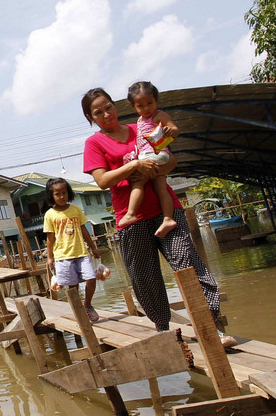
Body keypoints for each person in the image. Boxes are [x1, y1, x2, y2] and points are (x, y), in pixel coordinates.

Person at [80, 87, 233, 344]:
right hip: (131, 219)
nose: (106, 113)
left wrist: (154, 168)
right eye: (98, 112)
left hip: (166, 211)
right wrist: (134, 165)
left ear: (115, 106)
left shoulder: (142, 127)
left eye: (108, 106)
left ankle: (212, 328)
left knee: (188, 264)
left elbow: (170, 161)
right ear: (90, 117)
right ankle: (164, 330)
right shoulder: (94, 143)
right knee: (145, 276)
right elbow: (103, 181)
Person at [119, 81, 179, 238]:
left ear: (156, 100)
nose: (146, 108)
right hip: (156, 155)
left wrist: (169, 129)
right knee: (161, 188)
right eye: (141, 105)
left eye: (149, 103)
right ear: (134, 106)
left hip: (153, 155)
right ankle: (168, 218)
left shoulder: (159, 115)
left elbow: (175, 129)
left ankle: (131, 213)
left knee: (138, 182)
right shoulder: (140, 120)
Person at [43, 177, 102, 322]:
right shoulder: (50, 214)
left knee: (91, 278)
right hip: (62, 256)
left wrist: (93, 247)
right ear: (52, 196)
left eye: (64, 192)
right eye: (58, 194)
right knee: (72, 286)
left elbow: (83, 230)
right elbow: (50, 238)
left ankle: (87, 305)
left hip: (81, 252)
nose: (62, 196)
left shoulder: (75, 210)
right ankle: (79, 312)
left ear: (68, 192)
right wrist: (50, 257)